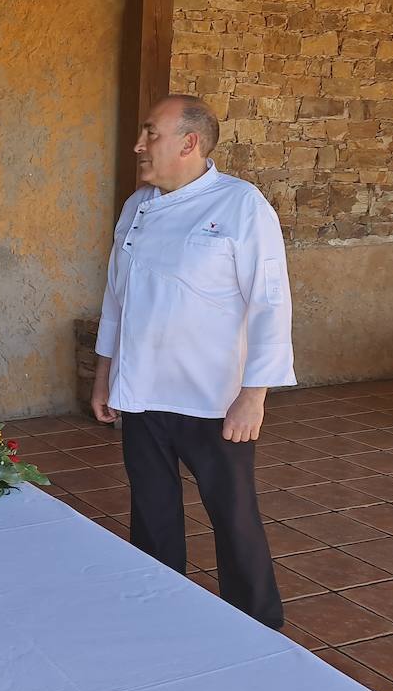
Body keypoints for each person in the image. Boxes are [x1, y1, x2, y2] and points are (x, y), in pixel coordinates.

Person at [91, 95, 295, 629]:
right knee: (152, 517)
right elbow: (117, 296)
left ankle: (258, 625)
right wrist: (104, 370)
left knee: (233, 519)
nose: (138, 145)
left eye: (150, 134)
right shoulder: (137, 207)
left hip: (214, 399)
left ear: (189, 143)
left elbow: (270, 302)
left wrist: (255, 394)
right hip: (141, 391)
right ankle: (163, 614)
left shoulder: (241, 205)